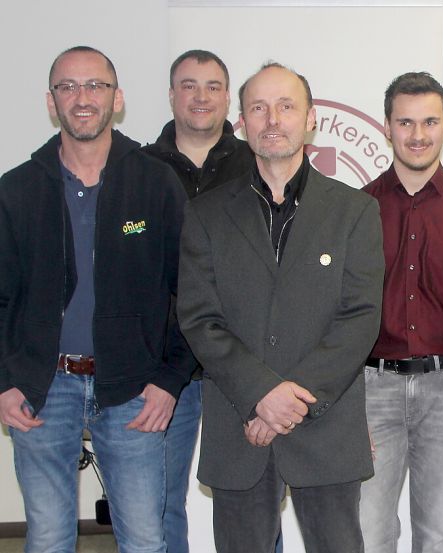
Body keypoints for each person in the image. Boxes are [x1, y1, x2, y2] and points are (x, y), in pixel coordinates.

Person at [177, 61, 384, 553]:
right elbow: (200, 319)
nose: (273, 119)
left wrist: (289, 402)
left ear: (310, 118)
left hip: (326, 429)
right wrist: (259, 395)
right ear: (242, 123)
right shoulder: (206, 214)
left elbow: (360, 317)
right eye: (259, 108)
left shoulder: (355, 211)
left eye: (286, 106)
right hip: (238, 427)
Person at [0, 45, 193, 552]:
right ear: (51, 101)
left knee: (147, 538)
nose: (81, 98)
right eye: (68, 87)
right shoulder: (17, 190)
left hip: (133, 389)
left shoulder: (156, 183)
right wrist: (4, 381)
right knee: (45, 536)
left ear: (117, 98)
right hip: (42, 390)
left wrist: (169, 381)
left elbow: (190, 293)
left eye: (95, 86)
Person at [359, 72, 443, 553]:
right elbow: (341, 316)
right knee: (370, 535)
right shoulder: (356, 210)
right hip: (373, 394)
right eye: (406, 122)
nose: (417, 135)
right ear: (387, 127)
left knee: (438, 537)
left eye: (429, 121)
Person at [141, 48, 253, 553]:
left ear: (229, 98)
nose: (201, 96)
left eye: (212, 86)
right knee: (160, 501)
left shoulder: (259, 164)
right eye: (189, 85)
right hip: (166, 369)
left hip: (244, 363)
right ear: (171, 95)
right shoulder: (138, 170)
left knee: (252, 498)